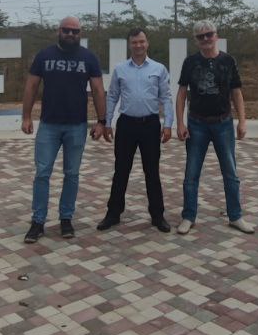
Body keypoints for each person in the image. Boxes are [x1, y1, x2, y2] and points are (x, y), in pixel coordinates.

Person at [21, 16, 107, 243]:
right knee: (42, 173)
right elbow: (31, 86)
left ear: (80, 34)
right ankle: (38, 222)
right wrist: (26, 116)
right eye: (67, 30)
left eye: (75, 31)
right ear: (58, 31)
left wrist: (101, 121)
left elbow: (98, 90)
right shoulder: (44, 56)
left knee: (72, 174)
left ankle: (66, 219)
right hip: (48, 125)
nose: (71, 34)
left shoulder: (89, 58)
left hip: (76, 126)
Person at [175, 19, 254, 235]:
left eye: (209, 34)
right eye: (200, 36)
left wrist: (242, 121)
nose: (206, 39)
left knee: (230, 173)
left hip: (223, 124)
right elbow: (182, 93)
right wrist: (180, 123)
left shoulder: (228, 61)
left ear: (216, 36)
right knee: (191, 174)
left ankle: (235, 216)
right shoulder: (190, 62)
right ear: (196, 40)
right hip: (196, 124)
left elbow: (236, 92)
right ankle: (188, 216)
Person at [97, 28, 174, 233]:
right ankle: (113, 213)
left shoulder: (159, 69)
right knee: (121, 170)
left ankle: (157, 215)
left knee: (152, 171)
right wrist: (107, 122)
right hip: (126, 125)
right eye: (134, 42)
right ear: (129, 44)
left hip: (150, 125)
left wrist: (168, 124)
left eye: (141, 41)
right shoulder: (120, 69)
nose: (138, 45)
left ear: (147, 43)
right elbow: (112, 96)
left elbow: (166, 97)